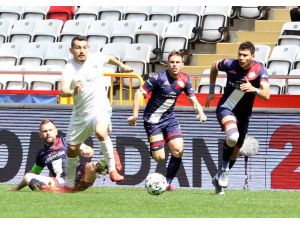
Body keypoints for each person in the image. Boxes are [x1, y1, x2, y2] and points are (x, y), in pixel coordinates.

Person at [127, 50, 207, 191]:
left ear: (182, 65)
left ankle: (168, 181)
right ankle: (155, 144)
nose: (174, 65)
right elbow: (139, 92)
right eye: (172, 62)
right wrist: (135, 115)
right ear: (167, 64)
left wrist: (200, 112)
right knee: (160, 157)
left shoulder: (184, 80)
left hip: (169, 119)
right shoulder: (158, 78)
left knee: (178, 150)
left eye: (177, 62)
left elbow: (193, 100)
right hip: (152, 120)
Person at [60, 36, 133, 188]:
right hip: (81, 114)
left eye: (85, 47)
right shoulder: (69, 68)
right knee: (72, 149)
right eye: (78, 47)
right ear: (71, 50)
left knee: (101, 132)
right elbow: (63, 91)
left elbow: (110, 58)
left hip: (101, 107)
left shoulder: (96, 58)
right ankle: (69, 184)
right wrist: (73, 90)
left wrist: (122, 65)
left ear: (88, 48)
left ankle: (112, 170)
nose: (82, 50)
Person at [205, 41, 270, 195]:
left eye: (245, 55)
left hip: (244, 114)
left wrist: (253, 89)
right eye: (240, 54)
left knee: (235, 150)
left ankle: (219, 178)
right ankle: (224, 171)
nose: (241, 58)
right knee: (233, 137)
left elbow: (266, 95)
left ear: (252, 56)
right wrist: (211, 90)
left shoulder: (259, 69)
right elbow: (214, 66)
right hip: (227, 107)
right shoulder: (230, 64)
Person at [11, 119, 111, 193]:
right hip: (60, 183)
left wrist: (88, 150)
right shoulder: (41, 154)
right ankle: (54, 192)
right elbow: (33, 172)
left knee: (94, 165)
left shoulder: (66, 140)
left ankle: (111, 165)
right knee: (28, 176)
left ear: (56, 131)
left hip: (79, 177)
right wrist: (16, 188)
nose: (48, 133)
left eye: (50, 130)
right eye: (45, 131)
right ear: (40, 134)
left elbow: (86, 148)